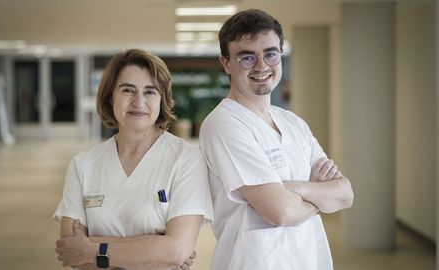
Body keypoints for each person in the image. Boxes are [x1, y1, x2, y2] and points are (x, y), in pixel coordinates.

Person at [199, 9, 354, 270]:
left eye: (270, 53)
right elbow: (281, 212)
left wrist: (296, 188)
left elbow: (346, 195)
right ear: (226, 63)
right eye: (247, 57)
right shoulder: (224, 124)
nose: (262, 66)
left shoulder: (294, 124)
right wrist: (319, 195)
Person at [54, 49, 213, 270]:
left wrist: (91, 249)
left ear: (162, 100)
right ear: (110, 97)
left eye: (150, 92)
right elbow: (72, 252)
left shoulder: (186, 159)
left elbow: (176, 251)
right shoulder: (83, 165)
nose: (139, 101)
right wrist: (155, 250)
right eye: (128, 90)